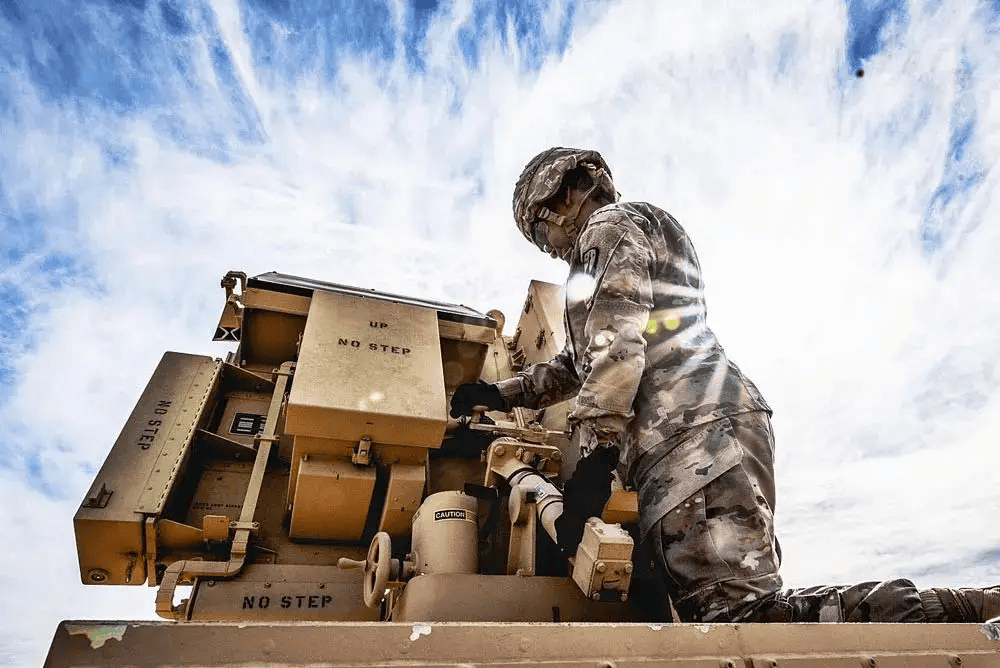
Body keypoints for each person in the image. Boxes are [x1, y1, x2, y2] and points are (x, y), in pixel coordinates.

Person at [450, 146, 999, 623]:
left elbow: (614, 342)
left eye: (539, 231)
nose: (547, 247)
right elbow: (580, 361)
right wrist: (504, 394)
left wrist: (597, 456)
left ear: (558, 200)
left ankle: (962, 614)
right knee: (732, 609)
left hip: (691, 441)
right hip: (710, 431)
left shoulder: (606, 230)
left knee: (740, 617)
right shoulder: (635, 230)